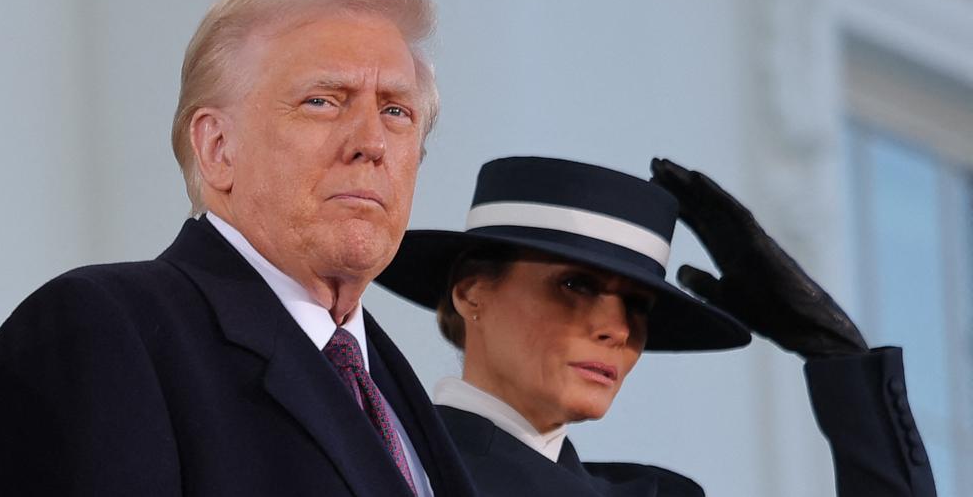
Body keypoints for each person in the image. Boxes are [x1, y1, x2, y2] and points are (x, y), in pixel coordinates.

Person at [0, 0, 476, 497]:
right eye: (323, 101)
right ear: (217, 148)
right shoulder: (101, 332)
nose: (371, 142)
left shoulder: (387, 381)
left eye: (396, 110)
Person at [376, 156, 937, 496]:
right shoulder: (385, 460)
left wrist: (840, 365)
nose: (616, 329)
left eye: (637, 305)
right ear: (473, 291)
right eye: (576, 285)